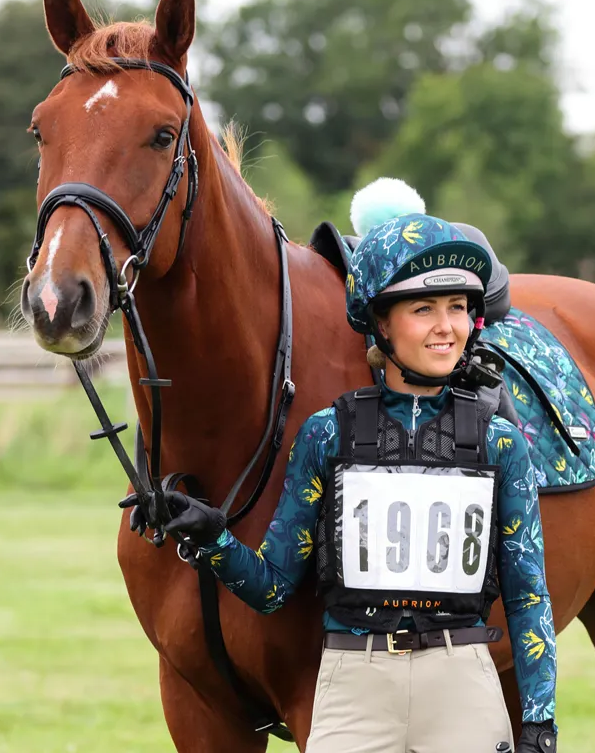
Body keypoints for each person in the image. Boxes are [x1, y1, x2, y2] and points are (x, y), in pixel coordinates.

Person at [121, 178, 558, 753]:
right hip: (352, 691)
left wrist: (540, 722)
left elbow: (529, 596)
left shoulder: (503, 444)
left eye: (458, 308)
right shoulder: (326, 436)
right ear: (381, 323)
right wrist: (211, 536)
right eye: (423, 308)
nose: (447, 327)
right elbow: (274, 587)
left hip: (464, 688)